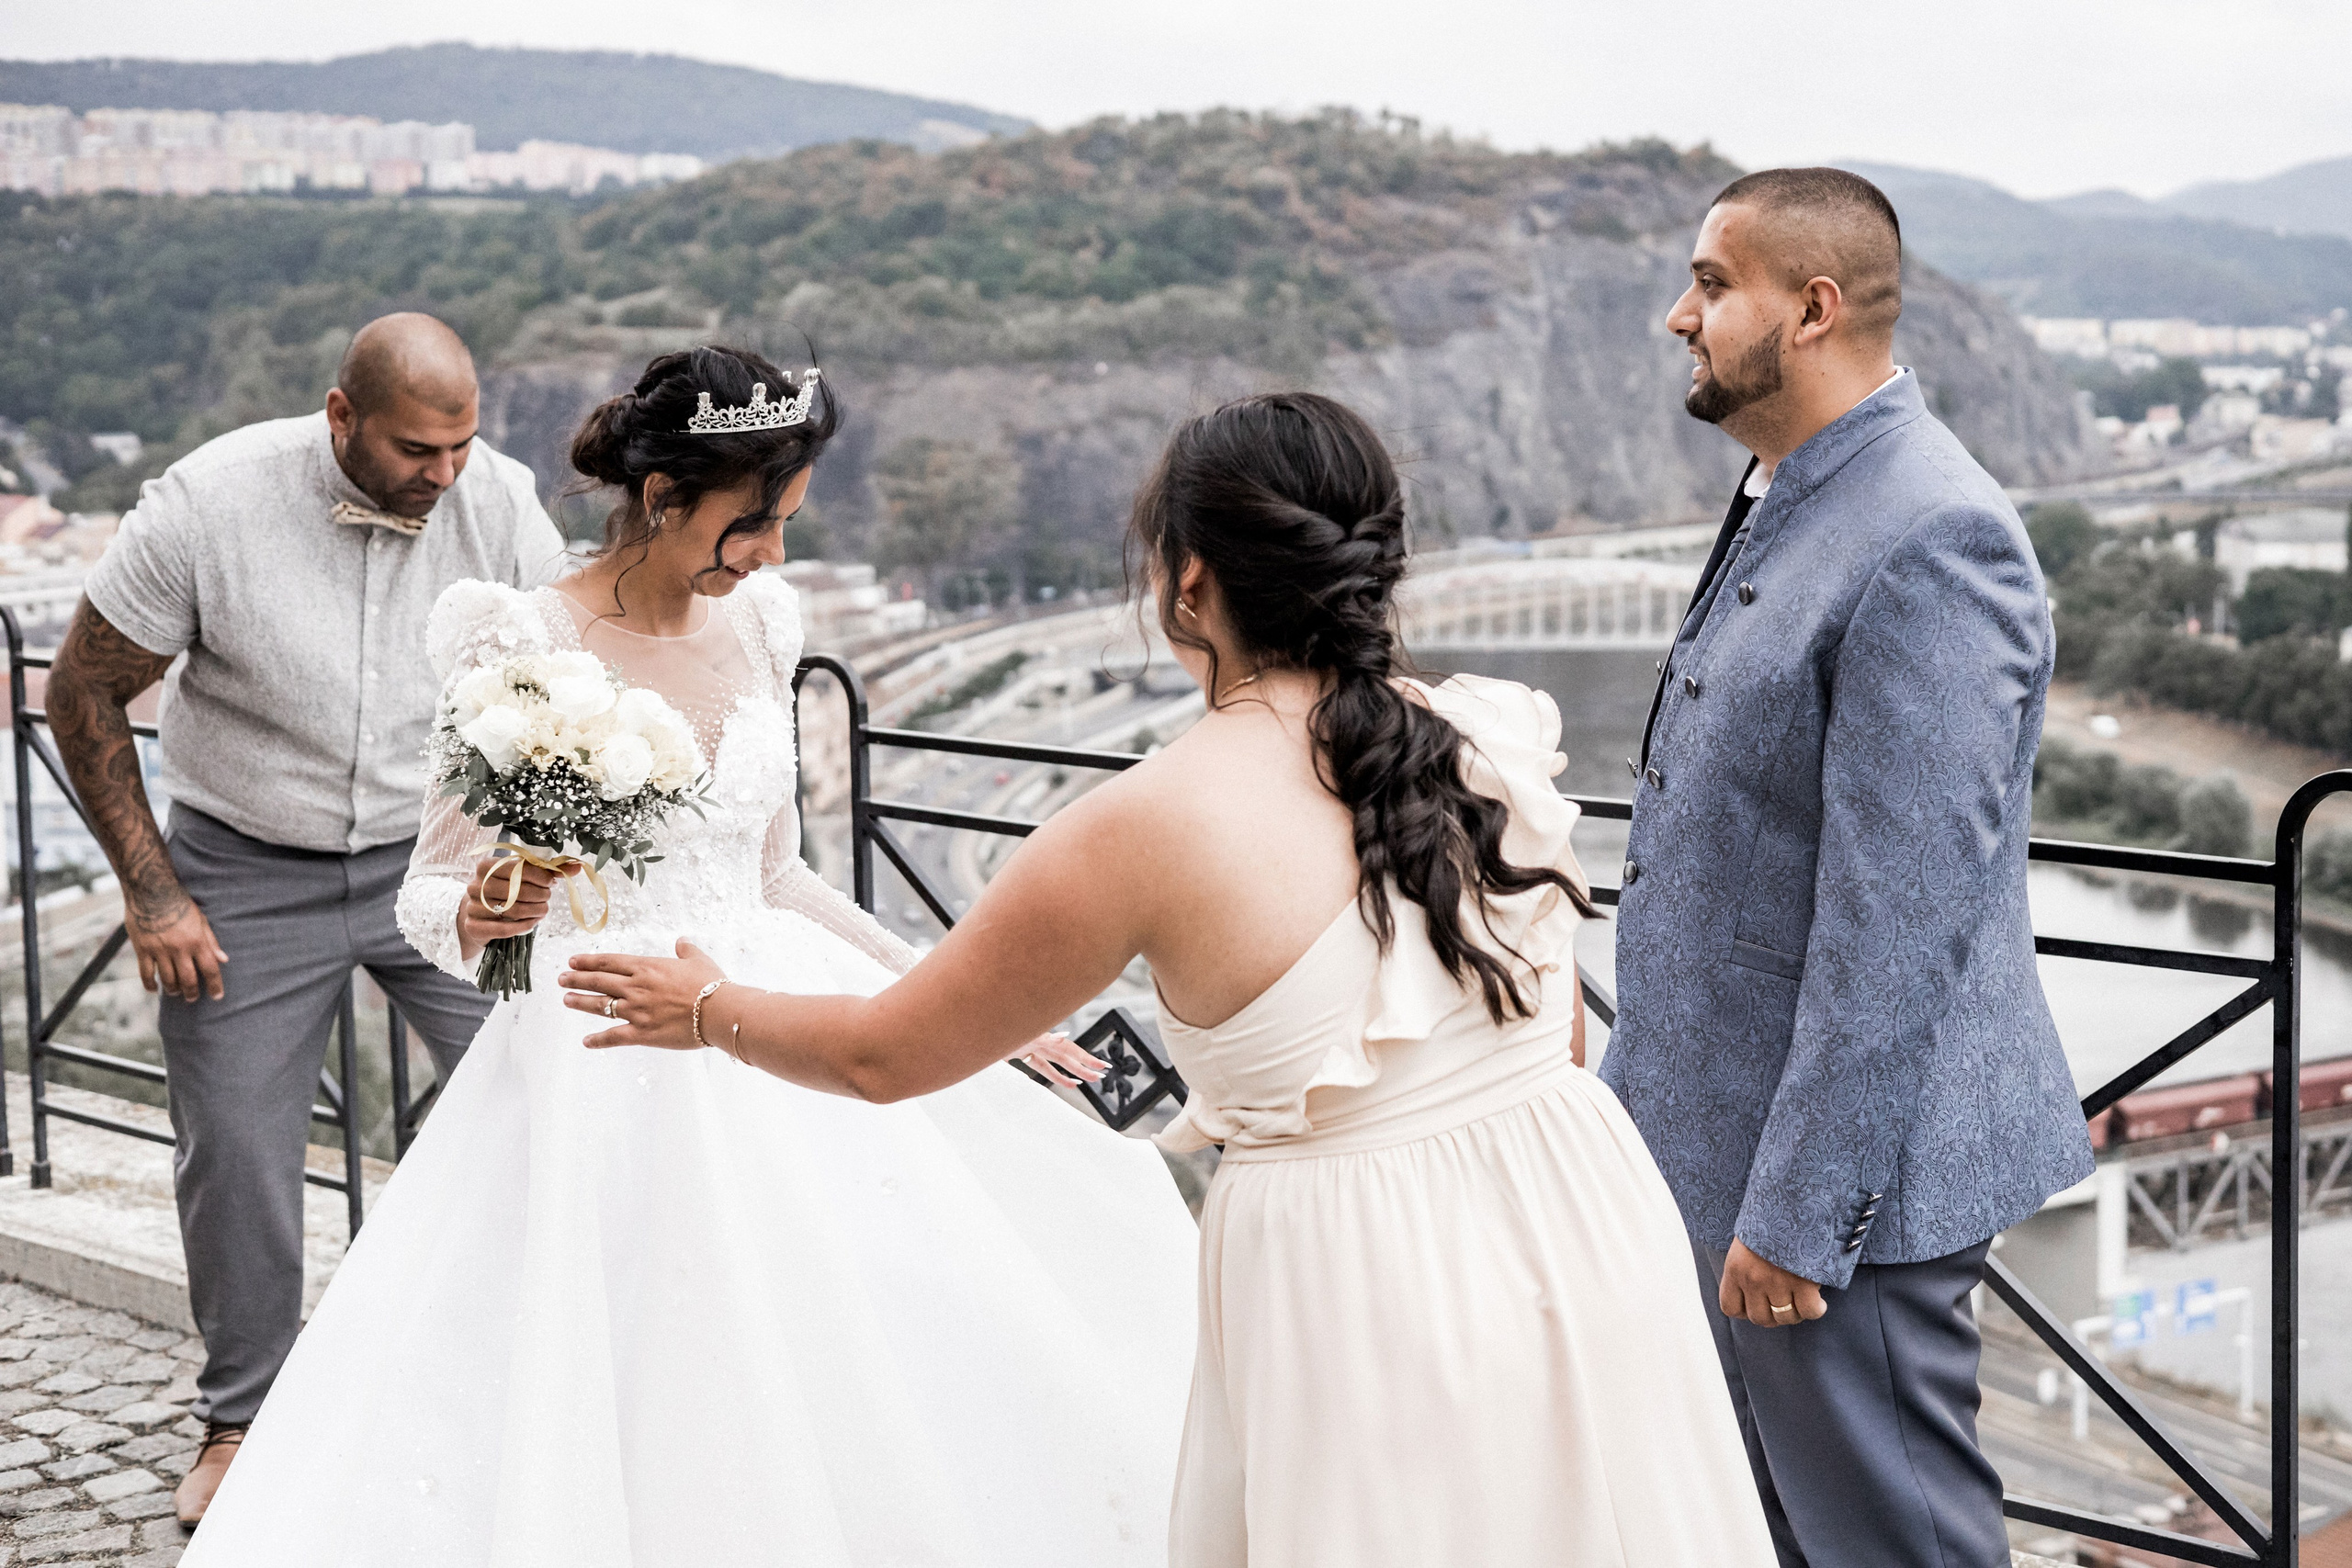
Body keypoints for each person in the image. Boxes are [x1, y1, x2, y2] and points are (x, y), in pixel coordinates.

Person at [563, 391, 1780, 1567]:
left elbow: (891, 1054)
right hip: (1589, 1222)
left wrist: (707, 1010)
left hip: (1368, 1288)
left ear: (1189, 582)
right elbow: (1557, 1030)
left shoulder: (1142, 827)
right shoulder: (1487, 740)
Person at [178, 345, 1200, 1566]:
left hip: (774, 1009)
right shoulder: (521, 643)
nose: (772, 551)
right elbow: (430, 896)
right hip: (602, 1040)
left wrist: (947, 996)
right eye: (753, 522)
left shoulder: (763, 621)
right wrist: (494, 910)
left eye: (784, 522)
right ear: (662, 501)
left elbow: (778, 876)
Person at [1598, 167, 2095, 1568]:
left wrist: (1805, 1219)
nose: (1677, 315)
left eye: (1711, 283)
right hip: (1718, 1164)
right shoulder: (1795, 485)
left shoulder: (1935, 535)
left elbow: (1899, 924)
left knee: (1894, 1547)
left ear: (1811, 310)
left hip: (1830, 1209)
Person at [46, 312, 568, 1525]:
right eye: (414, 451)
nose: (444, 476)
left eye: (461, 446)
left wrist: (522, 847)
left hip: (437, 862)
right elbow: (83, 689)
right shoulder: (207, 504)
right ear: (342, 417)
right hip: (240, 870)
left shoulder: (498, 503)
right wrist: (153, 890)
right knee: (234, 1147)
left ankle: (536, 1375)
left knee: (559, 1080)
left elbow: (559, 681)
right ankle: (243, 1421)